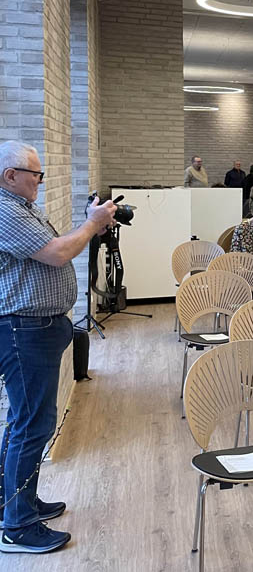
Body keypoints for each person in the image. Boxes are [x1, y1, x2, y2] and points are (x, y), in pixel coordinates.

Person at [0, 141, 117, 554]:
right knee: (33, 425)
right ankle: (17, 526)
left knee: (24, 421)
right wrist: (91, 223)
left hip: (35, 329)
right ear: (10, 176)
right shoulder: (6, 210)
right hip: (23, 330)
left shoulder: (22, 207)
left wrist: (90, 225)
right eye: (35, 174)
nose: (40, 181)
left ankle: (15, 502)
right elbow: (57, 253)